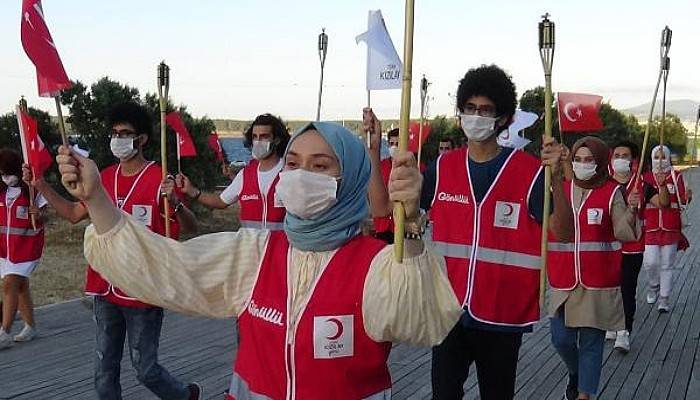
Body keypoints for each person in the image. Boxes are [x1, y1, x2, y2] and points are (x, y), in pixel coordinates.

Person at [57, 121, 463, 399]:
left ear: (351, 179)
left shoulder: (376, 263)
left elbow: (418, 319)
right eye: (293, 163)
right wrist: (96, 200)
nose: (301, 174)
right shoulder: (255, 252)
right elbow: (168, 269)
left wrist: (408, 225)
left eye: (320, 166)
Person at [368, 64, 573, 399]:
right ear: (461, 112)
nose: (476, 116)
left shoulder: (529, 171)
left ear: (503, 118)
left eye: (486, 110)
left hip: (503, 310)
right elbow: (383, 212)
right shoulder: (443, 167)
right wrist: (374, 152)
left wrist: (559, 180)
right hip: (448, 307)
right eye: (470, 109)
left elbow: (563, 233)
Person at [23, 102, 201, 400]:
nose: (118, 138)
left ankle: (183, 395)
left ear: (142, 139)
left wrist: (177, 203)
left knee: (145, 369)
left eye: (126, 133)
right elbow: (72, 213)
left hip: (143, 289)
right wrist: (40, 184)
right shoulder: (102, 177)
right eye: (115, 133)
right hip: (104, 286)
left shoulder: (160, 179)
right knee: (104, 373)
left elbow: (191, 227)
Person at [547, 136, 640, 400]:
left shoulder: (612, 192)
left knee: (591, 343)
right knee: (560, 339)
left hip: (598, 282)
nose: (582, 164)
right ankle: (577, 374)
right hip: (563, 279)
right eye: (577, 159)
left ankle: (585, 393)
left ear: (599, 163)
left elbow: (626, 233)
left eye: (589, 160)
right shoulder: (559, 189)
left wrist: (632, 211)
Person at [605, 140, 666, 352]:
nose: (620, 159)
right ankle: (612, 324)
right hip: (606, 246)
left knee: (627, 288)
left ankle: (624, 331)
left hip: (631, 246)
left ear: (633, 160)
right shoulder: (604, 184)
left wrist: (662, 183)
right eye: (617, 155)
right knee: (609, 288)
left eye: (625, 155)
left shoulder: (642, 186)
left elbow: (663, 203)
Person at [179, 114, 290, 230]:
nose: (258, 141)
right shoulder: (245, 175)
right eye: (255, 137)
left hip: (281, 246)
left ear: (277, 140)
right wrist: (192, 191)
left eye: (264, 137)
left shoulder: (289, 173)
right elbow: (220, 201)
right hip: (248, 246)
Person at [0, 149, 47, 349]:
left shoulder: (32, 190)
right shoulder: (1, 192)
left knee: (10, 285)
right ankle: (30, 326)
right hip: (6, 250)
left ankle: (4, 332)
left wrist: (39, 214)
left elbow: (46, 216)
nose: (5, 177)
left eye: (8, 173)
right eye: (1, 173)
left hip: (27, 249)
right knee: (20, 286)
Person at [642, 145, 692, 313]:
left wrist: (687, 198)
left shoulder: (676, 177)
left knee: (667, 264)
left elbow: (683, 202)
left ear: (669, 158)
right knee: (650, 262)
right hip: (650, 226)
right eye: (657, 157)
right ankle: (653, 284)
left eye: (664, 157)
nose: (660, 160)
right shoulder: (645, 178)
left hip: (670, 226)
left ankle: (664, 298)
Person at [367, 125, 399, 243]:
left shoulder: (414, 167)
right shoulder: (381, 166)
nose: (394, 147)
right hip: (382, 225)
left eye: (398, 143)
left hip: (400, 226)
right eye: (392, 143)